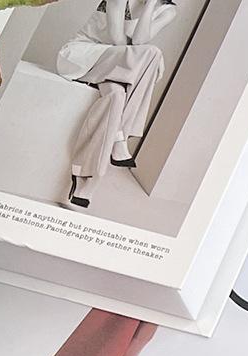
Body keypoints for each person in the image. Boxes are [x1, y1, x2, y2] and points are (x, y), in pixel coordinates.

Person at [56, 0, 178, 211]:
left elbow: (139, 40)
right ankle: (121, 136)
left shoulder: (168, 11)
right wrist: (150, 63)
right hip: (82, 56)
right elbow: (118, 41)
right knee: (153, 54)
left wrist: (150, 4)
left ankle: (86, 180)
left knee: (117, 96)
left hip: (117, 69)